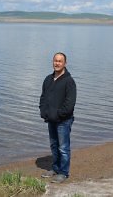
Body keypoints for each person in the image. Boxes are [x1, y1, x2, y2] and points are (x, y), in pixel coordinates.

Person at [39, 52, 77, 183]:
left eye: (60, 61)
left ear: (65, 63)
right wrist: (43, 112)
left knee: (63, 148)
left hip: (64, 121)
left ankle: (63, 172)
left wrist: (57, 115)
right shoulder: (48, 79)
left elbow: (69, 105)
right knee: (54, 145)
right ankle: (55, 168)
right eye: (55, 61)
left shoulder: (69, 81)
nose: (57, 63)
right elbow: (43, 98)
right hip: (51, 120)